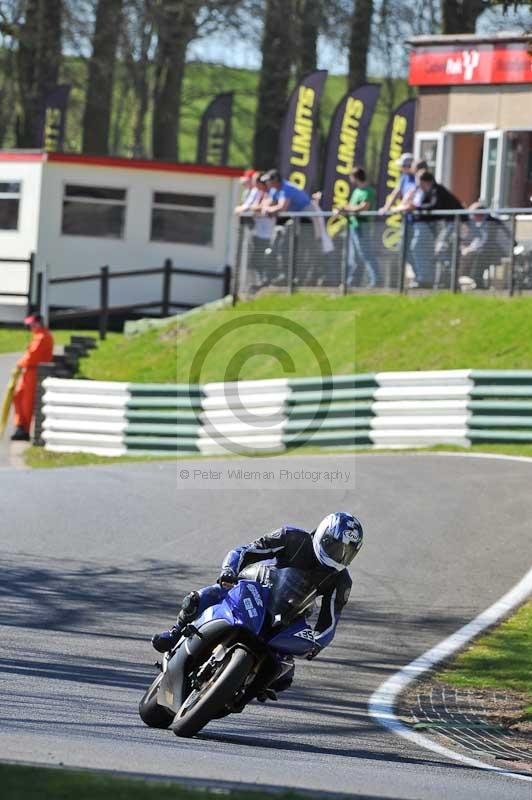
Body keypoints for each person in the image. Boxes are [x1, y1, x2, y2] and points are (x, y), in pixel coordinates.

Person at [152, 512, 364, 694]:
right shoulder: (291, 537)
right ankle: (175, 632)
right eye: (337, 548)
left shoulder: (341, 581)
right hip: (258, 587)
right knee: (201, 597)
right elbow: (245, 551)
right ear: (324, 536)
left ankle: (245, 689)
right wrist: (229, 571)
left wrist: (317, 643)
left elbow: (330, 621)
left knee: (284, 676)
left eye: (348, 553)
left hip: (288, 616)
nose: (340, 556)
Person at [409, 171, 462, 288]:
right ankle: (445, 281)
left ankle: (452, 282)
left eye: (418, 181)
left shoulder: (436, 190)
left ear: (424, 181)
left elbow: (435, 205)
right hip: (447, 224)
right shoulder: (431, 191)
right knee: (440, 252)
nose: (417, 185)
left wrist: (416, 207)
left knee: (441, 250)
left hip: (453, 223)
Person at [11, 313, 53, 441]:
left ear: (37, 323)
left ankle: (24, 429)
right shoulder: (39, 336)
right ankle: (20, 425)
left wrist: (19, 364)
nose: (30, 327)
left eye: (31, 325)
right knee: (18, 396)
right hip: (29, 372)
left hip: (35, 372)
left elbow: (32, 357)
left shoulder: (42, 337)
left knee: (26, 402)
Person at [337, 167, 379, 287]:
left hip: (362, 227)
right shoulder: (356, 191)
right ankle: (351, 283)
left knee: (366, 254)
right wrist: (344, 209)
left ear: (356, 177)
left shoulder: (369, 191)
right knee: (353, 257)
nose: (350, 180)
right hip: (353, 226)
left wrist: (345, 208)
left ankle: (376, 280)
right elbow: (351, 206)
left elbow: (363, 207)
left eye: (351, 177)